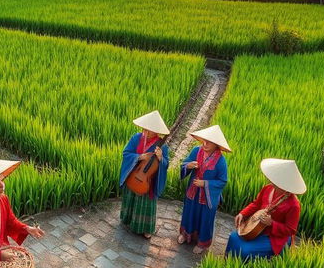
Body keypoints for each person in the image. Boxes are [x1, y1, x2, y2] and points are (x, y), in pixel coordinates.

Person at [226, 158, 305, 260]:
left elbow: (290, 230)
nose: (271, 180)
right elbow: (256, 204)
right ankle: (228, 262)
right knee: (233, 238)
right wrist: (242, 214)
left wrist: (272, 223)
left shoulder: (294, 205)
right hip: (256, 227)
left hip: (274, 237)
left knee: (245, 250)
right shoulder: (268, 188)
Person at [178, 125, 230, 254]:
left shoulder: (220, 161)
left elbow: (222, 181)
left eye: (209, 142)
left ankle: (202, 243)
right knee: (189, 212)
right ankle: (185, 234)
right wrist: (188, 166)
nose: (205, 144)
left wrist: (205, 183)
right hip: (193, 192)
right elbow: (185, 163)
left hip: (208, 196)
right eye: (204, 140)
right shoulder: (196, 151)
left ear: (216, 145)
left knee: (205, 218)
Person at [119, 110, 170, 239]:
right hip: (133, 175)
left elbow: (165, 164)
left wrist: (160, 159)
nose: (145, 131)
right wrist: (139, 157)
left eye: (149, 129)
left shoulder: (161, 147)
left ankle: (146, 228)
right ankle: (127, 219)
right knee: (130, 198)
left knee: (146, 203)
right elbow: (126, 153)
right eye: (144, 128)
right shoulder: (136, 138)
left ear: (157, 131)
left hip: (148, 181)